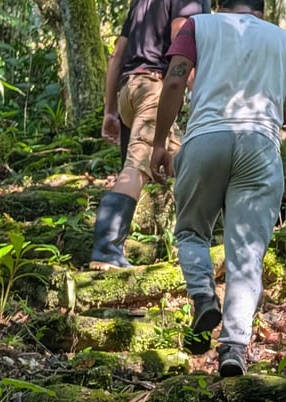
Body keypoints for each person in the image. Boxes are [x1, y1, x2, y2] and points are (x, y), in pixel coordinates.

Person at [150, 0, 286, 376]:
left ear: (220, 3)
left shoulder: (198, 26)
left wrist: (160, 143)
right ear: (261, 7)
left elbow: (176, 78)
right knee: (247, 252)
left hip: (206, 139)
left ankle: (202, 297)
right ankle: (233, 348)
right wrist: (273, 115)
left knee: (193, 231)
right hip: (260, 146)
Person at [89, 0, 210, 271]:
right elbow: (182, 36)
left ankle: (200, 238)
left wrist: (110, 111)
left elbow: (117, 55)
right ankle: (106, 249)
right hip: (155, 89)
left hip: (128, 89)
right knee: (137, 166)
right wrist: (205, 92)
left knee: (185, 160)